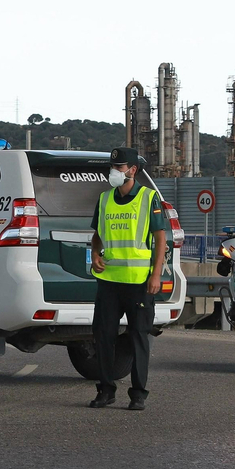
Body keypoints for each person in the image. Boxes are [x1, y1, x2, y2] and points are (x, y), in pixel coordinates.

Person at [87, 146, 167, 410]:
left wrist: (156, 275)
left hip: (139, 283)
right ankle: (106, 390)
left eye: (119, 168)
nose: (114, 172)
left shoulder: (148, 198)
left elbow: (160, 240)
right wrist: (95, 253)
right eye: (112, 167)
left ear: (132, 171)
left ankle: (138, 394)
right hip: (109, 281)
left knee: (138, 337)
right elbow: (98, 233)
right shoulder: (105, 199)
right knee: (103, 336)